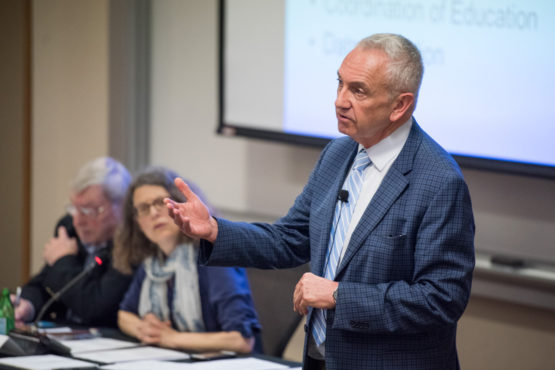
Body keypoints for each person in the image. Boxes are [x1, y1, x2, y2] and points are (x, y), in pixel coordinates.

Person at [165, 33, 475, 370]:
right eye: (340, 84)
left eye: (358, 91)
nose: (340, 101)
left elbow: (440, 300)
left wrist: (339, 296)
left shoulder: (440, 181)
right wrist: (212, 230)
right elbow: (289, 239)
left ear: (400, 105)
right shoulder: (337, 153)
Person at [113, 167, 261, 354]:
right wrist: (145, 330)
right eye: (143, 208)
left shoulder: (214, 257)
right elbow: (124, 315)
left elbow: (241, 340)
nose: (153, 213)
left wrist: (171, 338)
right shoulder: (155, 262)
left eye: (161, 203)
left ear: (181, 204)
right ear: (135, 222)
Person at [13, 157, 132, 327]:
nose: (78, 221)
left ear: (121, 207)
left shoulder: (131, 244)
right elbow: (45, 283)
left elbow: (95, 308)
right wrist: (28, 304)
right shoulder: (69, 228)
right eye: (74, 209)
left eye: (89, 211)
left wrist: (63, 262)